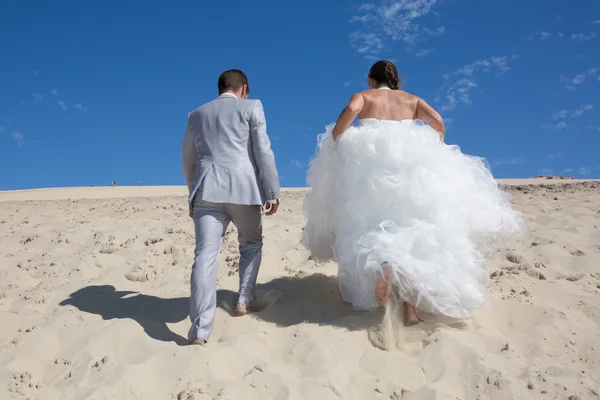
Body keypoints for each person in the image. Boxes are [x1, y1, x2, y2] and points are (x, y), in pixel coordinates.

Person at [301, 60, 525, 326]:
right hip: (410, 166)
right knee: (413, 225)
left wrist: (338, 137)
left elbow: (351, 110)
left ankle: (387, 265)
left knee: (374, 223)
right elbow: (438, 121)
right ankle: (410, 308)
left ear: (371, 80)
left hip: (370, 165)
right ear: (395, 81)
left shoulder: (363, 96)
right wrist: (435, 144)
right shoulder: (412, 99)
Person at [182, 69, 280, 345]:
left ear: (219, 88)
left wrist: (195, 190)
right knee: (250, 243)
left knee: (205, 257)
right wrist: (271, 190)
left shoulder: (196, 114)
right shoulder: (252, 107)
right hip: (243, 188)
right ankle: (244, 298)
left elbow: (187, 160)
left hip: (206, 189)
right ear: (244, 88)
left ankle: (200, 332)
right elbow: (263, 150)